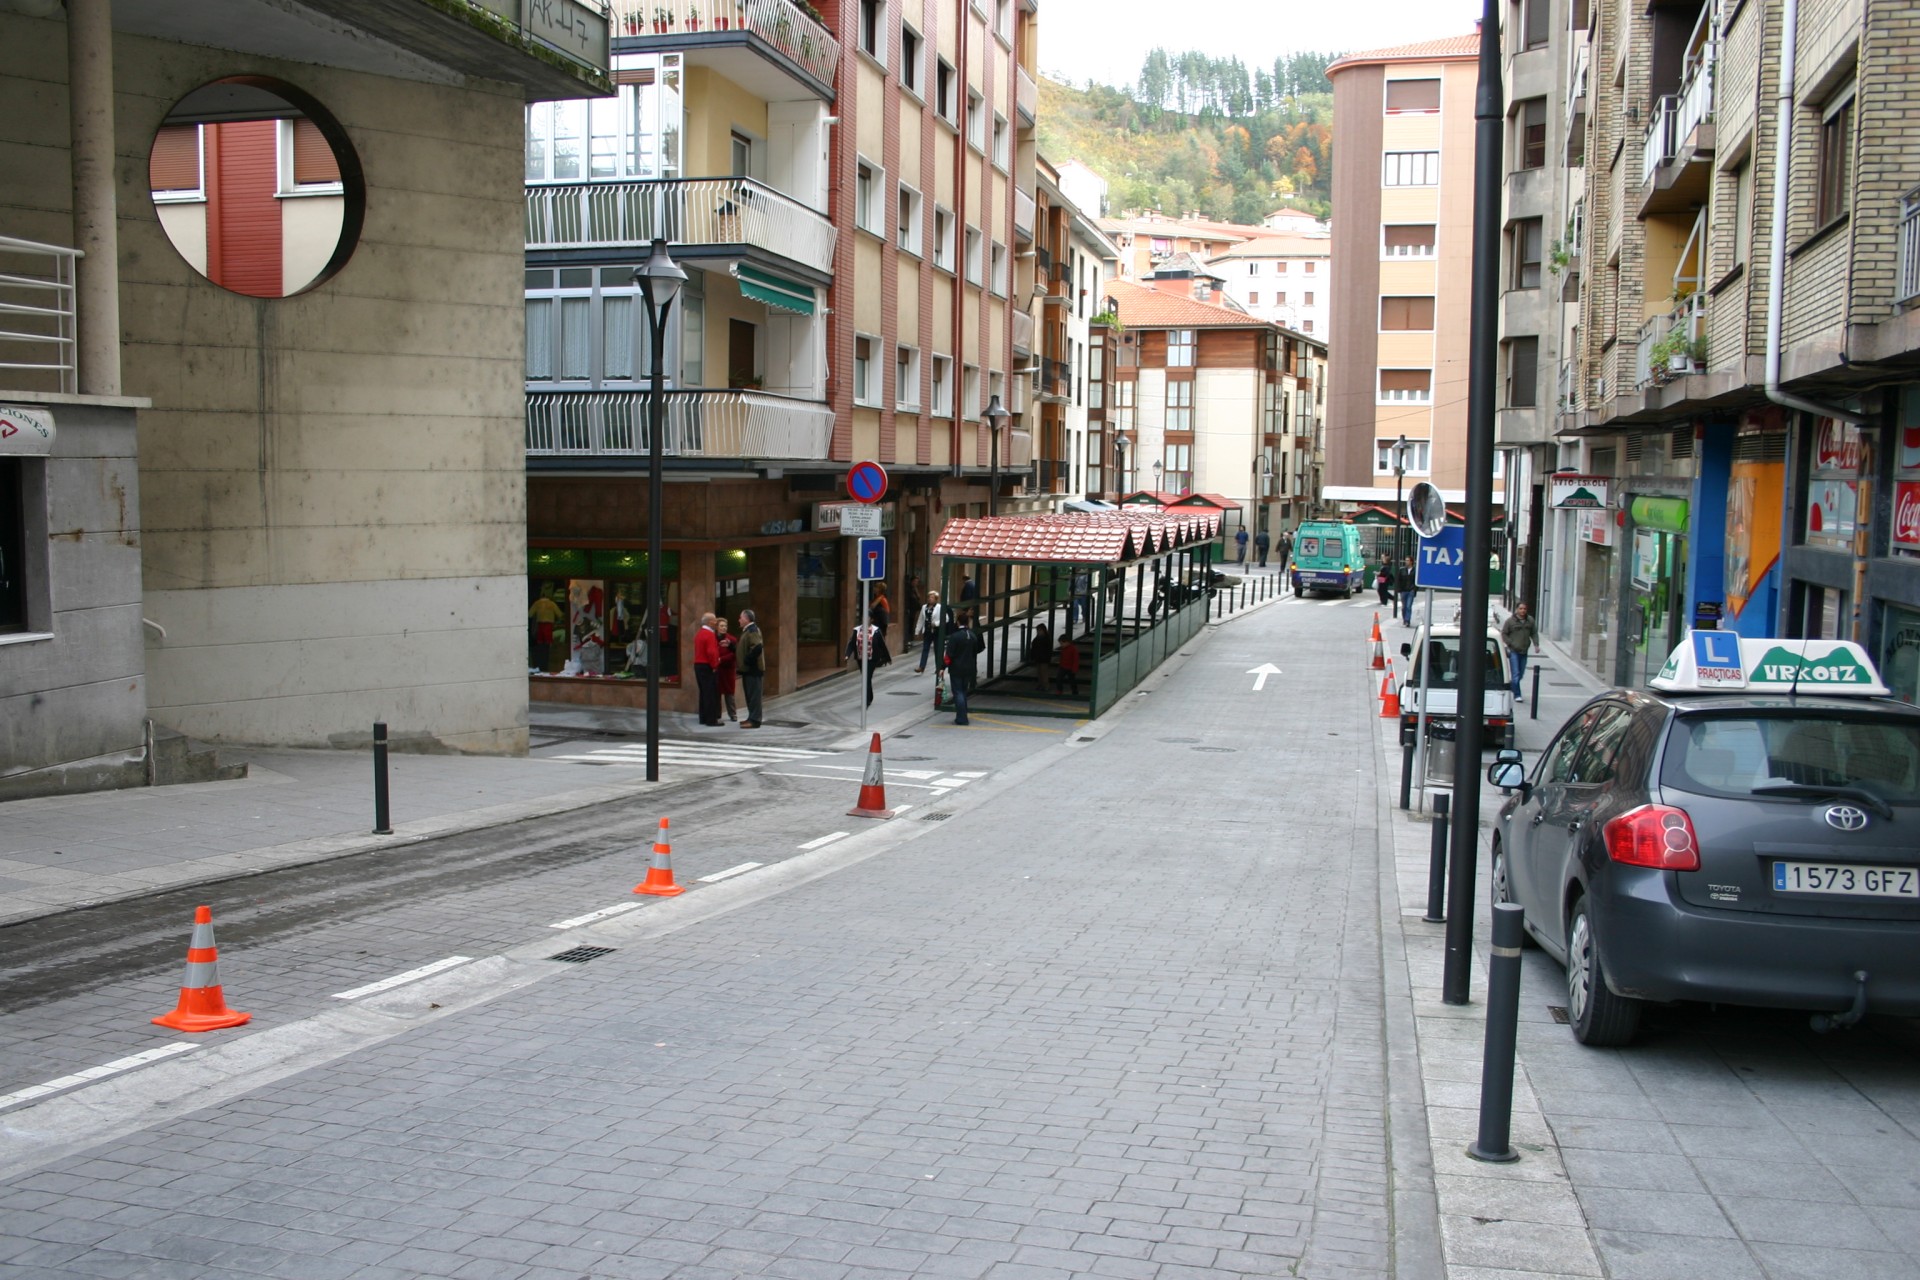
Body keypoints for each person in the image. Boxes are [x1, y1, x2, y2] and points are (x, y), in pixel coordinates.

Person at [944, 613, 984, 725]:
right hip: (969, 668)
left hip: (956, 668)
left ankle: (962, 718)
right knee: (963, 691)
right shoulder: (972, 635)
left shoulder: (955, 636)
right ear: (968, 622)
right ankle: (963, 714)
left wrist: (943, 667)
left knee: (958, 692)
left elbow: (949, 654)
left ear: (958, 622)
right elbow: (976, 650)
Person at [844, 615, 892, 706]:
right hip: (860, 658)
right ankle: (869, 696)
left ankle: (866, 700)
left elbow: (882, 645)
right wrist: (847, 655)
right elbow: (851, 643)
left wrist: (887, 658)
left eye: (867, 618)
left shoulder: (876, 630)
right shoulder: (857, 630)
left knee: (866, 677)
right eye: (863, 618)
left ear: (871, 619)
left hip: (872, 659)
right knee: (866, 678)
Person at [1501, 602, 1537, 698]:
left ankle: (1512, 686)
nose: (1523, 611)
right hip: (1514, 651)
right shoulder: (1510, 621)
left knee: (1520, 674)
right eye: (1521, 608)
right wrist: (1511, 643)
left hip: (1524, 651)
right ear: (1517, 609)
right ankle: (1517, 695)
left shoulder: (1530, 620)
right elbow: (1504, 633)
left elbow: (1534, 633)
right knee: (1516, 674)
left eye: (1524, 609)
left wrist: (1536, 645)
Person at [736, 610, 765, 728]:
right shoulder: (747, 630)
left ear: (747, 619)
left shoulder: (752, 630)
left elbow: (757, 647)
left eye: (740, 618)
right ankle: (751, 717)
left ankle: (755, 720)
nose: (739, 620)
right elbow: (744, 648)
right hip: (748, 670)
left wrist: (747, 661)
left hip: (753, 669)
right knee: (750, 695)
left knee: (754, 696)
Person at [692, 613, 722, 725]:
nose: (716, 622)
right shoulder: (709, 634)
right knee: (711, 693)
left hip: (698, 665)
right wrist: (715, 665)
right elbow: (711, 652)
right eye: (715, 620)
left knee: (704, 693)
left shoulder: (699, 634)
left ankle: (703, 718)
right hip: (707, 666)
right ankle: (711, 720)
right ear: (710, 622)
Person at [914, 590, 948, 672]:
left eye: (932, 597)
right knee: (925, 648)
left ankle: (938, 667)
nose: (930, 599)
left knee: (937, 649)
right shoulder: (924, 607)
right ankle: (922, 667)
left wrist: (936, 623)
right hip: (927, 631)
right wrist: (917, 631)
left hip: (936, 631)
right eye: (929, 597)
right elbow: (921, 620)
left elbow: (946, 618)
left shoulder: (939, 607)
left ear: (936, 599)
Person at [714, 617, 740, 722]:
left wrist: (721, 659)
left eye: (725, 626)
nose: (724, 628)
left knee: (729, 693)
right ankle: (717, 714)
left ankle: (733, 714)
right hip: (717, 670)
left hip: (728, 670)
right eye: (721, 626)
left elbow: (734, 655)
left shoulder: (732, 639)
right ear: (716, 627)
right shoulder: (713, 639)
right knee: (716, 693)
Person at [1028, 620, 1054, 694]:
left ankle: (1045, 686)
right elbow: (1033, 648)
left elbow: (1048, 650)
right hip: (1039, 658)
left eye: (1040, 630)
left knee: (1044, 673)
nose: (1039, 632)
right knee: (1039, 673)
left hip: (1044, 659)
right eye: (1038, 630)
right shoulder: (1038, 639)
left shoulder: (1045, 639)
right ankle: (1041, 684)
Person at [1056, 632, 1081, 697]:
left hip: (1070, 668)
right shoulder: (1064, 649)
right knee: (1059, 678)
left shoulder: (1073, 649)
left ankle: (1074, 691)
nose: (1061, 645)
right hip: (1063, 667)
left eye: (1062, 643)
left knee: (1072, 680)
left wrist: (1074, 669)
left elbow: (1075, 660)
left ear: (1067, 642)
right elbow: (1062, 658)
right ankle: (1059, 690)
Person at [903, 572, 924, 646]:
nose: (916, 583)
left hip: (914, 610)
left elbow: (918, 597)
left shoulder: (915, 589)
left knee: (912, 624)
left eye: (917, 582)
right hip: (910, 609)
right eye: (915, 581)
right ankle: (908, 639)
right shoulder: (908, 589)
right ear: (911, 581)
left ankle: (910, 639)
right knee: (909, 624)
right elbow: (908, 599)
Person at [1398, 557, 1417, 627]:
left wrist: (1414, 589)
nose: (1406, 562)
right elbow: (1399, 580)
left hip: (1411, 590)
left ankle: (1407, 620)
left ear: (1411, 562)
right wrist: (1399, 589)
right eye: (1405, 560)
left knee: (1409, 606)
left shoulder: (1415, 570)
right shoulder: (1402, 570)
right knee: (1404, 607)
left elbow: (1416, 581)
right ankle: (1404, 619)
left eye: (1408, 560)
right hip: (1403, 590)